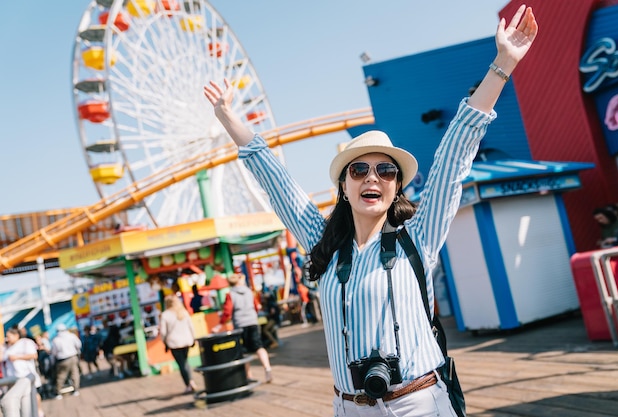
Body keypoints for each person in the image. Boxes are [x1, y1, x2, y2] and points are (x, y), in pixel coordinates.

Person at [203, 5, 537, 415]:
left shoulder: (418, 235)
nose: (372, 178)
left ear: (397, 185)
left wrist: (503, 63)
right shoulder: (323, 242)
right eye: (358, 169)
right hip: (348, 406)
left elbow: (456, 151)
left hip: (418, 402)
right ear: (344, 187)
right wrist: (227, 118)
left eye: (385, 170)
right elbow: (277, 183)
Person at [212, 273, 273, 383]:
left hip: (240, 324)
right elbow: (257, 306)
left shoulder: (230, 294)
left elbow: (227, 312)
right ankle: (267, 368)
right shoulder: (249, 291)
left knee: (243, 350)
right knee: (259, 346)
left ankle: (248, 375)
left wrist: (220, 324)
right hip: (253, 321)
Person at [0, 328, 45, 417]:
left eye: (9, 336)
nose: (7, 339)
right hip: (13, 378)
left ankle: (39, 412)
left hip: (26, 375)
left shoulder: (26, 342)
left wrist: (17, 357)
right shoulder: (7, 347)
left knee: (34, 395)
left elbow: (34, 355)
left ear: (16, 335)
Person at [159, 294, 198, 393]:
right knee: (185, 362)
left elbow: (163, 332)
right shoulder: (183, 312)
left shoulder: (165, 315)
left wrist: (164, 342)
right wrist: (193, 339)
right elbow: (191, 327)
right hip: (187, 341)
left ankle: (189, 383)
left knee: (182, 364)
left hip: (174, 343)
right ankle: (191, 381)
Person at [50, 324, 82, 399]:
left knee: (61, 376)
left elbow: (54, 352)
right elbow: (79, 345)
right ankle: (76, 389)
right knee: (75, 374)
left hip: (62, 360)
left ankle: (58, 393)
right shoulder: (72, 336)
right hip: (73, 357)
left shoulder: (56, 339)